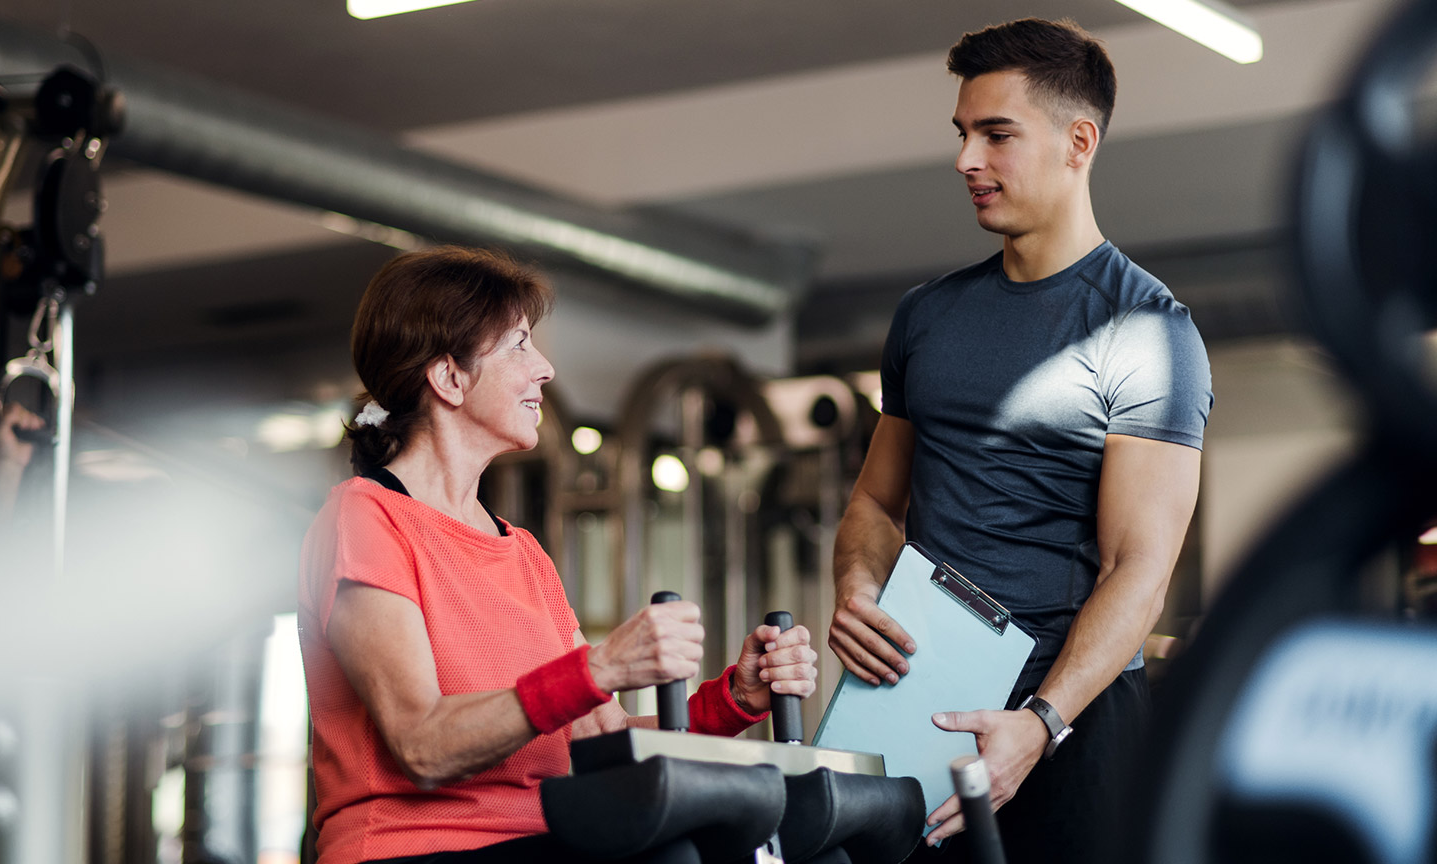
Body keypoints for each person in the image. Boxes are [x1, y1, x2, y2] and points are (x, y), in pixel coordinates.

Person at [825, 18, 1212, 863]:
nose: (967, 160)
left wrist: (1040, 725)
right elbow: (874, 504)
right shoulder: (925, 316)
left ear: (1080, 142)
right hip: (921, 697)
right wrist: (858, 587)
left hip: (1073, 717)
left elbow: (1138, 571)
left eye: (997, 134)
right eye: (963, 134)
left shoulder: (1148, 331)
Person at [298, 246, 819, 864]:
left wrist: (736, 699)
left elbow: (603, 740)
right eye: (518, 344)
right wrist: (597, 668)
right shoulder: (365, 518)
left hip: (550, 840)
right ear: (449, 378)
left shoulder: (523, 553)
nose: (543, 368)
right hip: (415, 849)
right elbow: (421, 743)